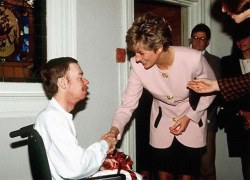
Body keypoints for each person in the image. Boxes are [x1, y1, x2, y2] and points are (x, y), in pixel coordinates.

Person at [106, 12, 216, 180]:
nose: (137, 59)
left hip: (192, 122)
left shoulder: (193, 59)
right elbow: (128, 104)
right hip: (161, 126)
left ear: (158, 48)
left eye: (141, 53)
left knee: (187, 178)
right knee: (163, 177)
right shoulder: (137, 66)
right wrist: (114, 130)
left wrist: (190, 116)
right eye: (135, 53)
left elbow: (211, 89)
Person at [34, 57, 117, 180]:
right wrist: (105, 144)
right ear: (62, 83)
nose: (86, 82)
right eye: (80, 77)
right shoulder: (53, 119)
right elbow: (76, 167)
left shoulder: (54, 116)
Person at [187, 0, 250, 101]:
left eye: (225, 2)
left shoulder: (215, 60)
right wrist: (215, 85)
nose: (223, 9)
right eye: (195, 37)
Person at [218, 21, 250, 180]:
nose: (241, 42)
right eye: (238, 39)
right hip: (239, 119)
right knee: (247, 161)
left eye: (245, 37)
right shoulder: (227, 62)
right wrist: (243, 113)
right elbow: (225, 93)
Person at [190, 23, 221, 180]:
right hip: (185, 120)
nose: (198, 41)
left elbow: (219, 91)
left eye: (202, 39)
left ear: (207, 42)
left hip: (207, 119)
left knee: (207, 167)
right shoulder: (183, 58)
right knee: (189, 168)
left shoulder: (215, 61)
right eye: (195, 38)